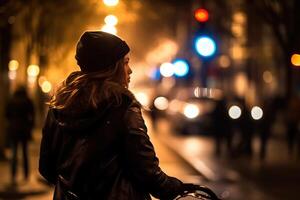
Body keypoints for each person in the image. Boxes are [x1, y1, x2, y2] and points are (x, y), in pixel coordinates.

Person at [39, 31, 197, 200]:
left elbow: (46, 167)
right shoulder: (122, 106)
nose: (130, 70)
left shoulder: (60, 106)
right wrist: (175, 188)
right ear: (111, 67)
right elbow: (146, 171)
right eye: (125, 63)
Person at [5, 85, 35, 185]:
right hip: (24, 129)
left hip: (13, 129)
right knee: (25, 152)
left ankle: (13, 175)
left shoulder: (12, 100)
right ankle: (26, 175)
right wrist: (30, 127)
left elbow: (7, 115)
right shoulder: (27, 101)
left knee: (14, 153)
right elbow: (32, 115)